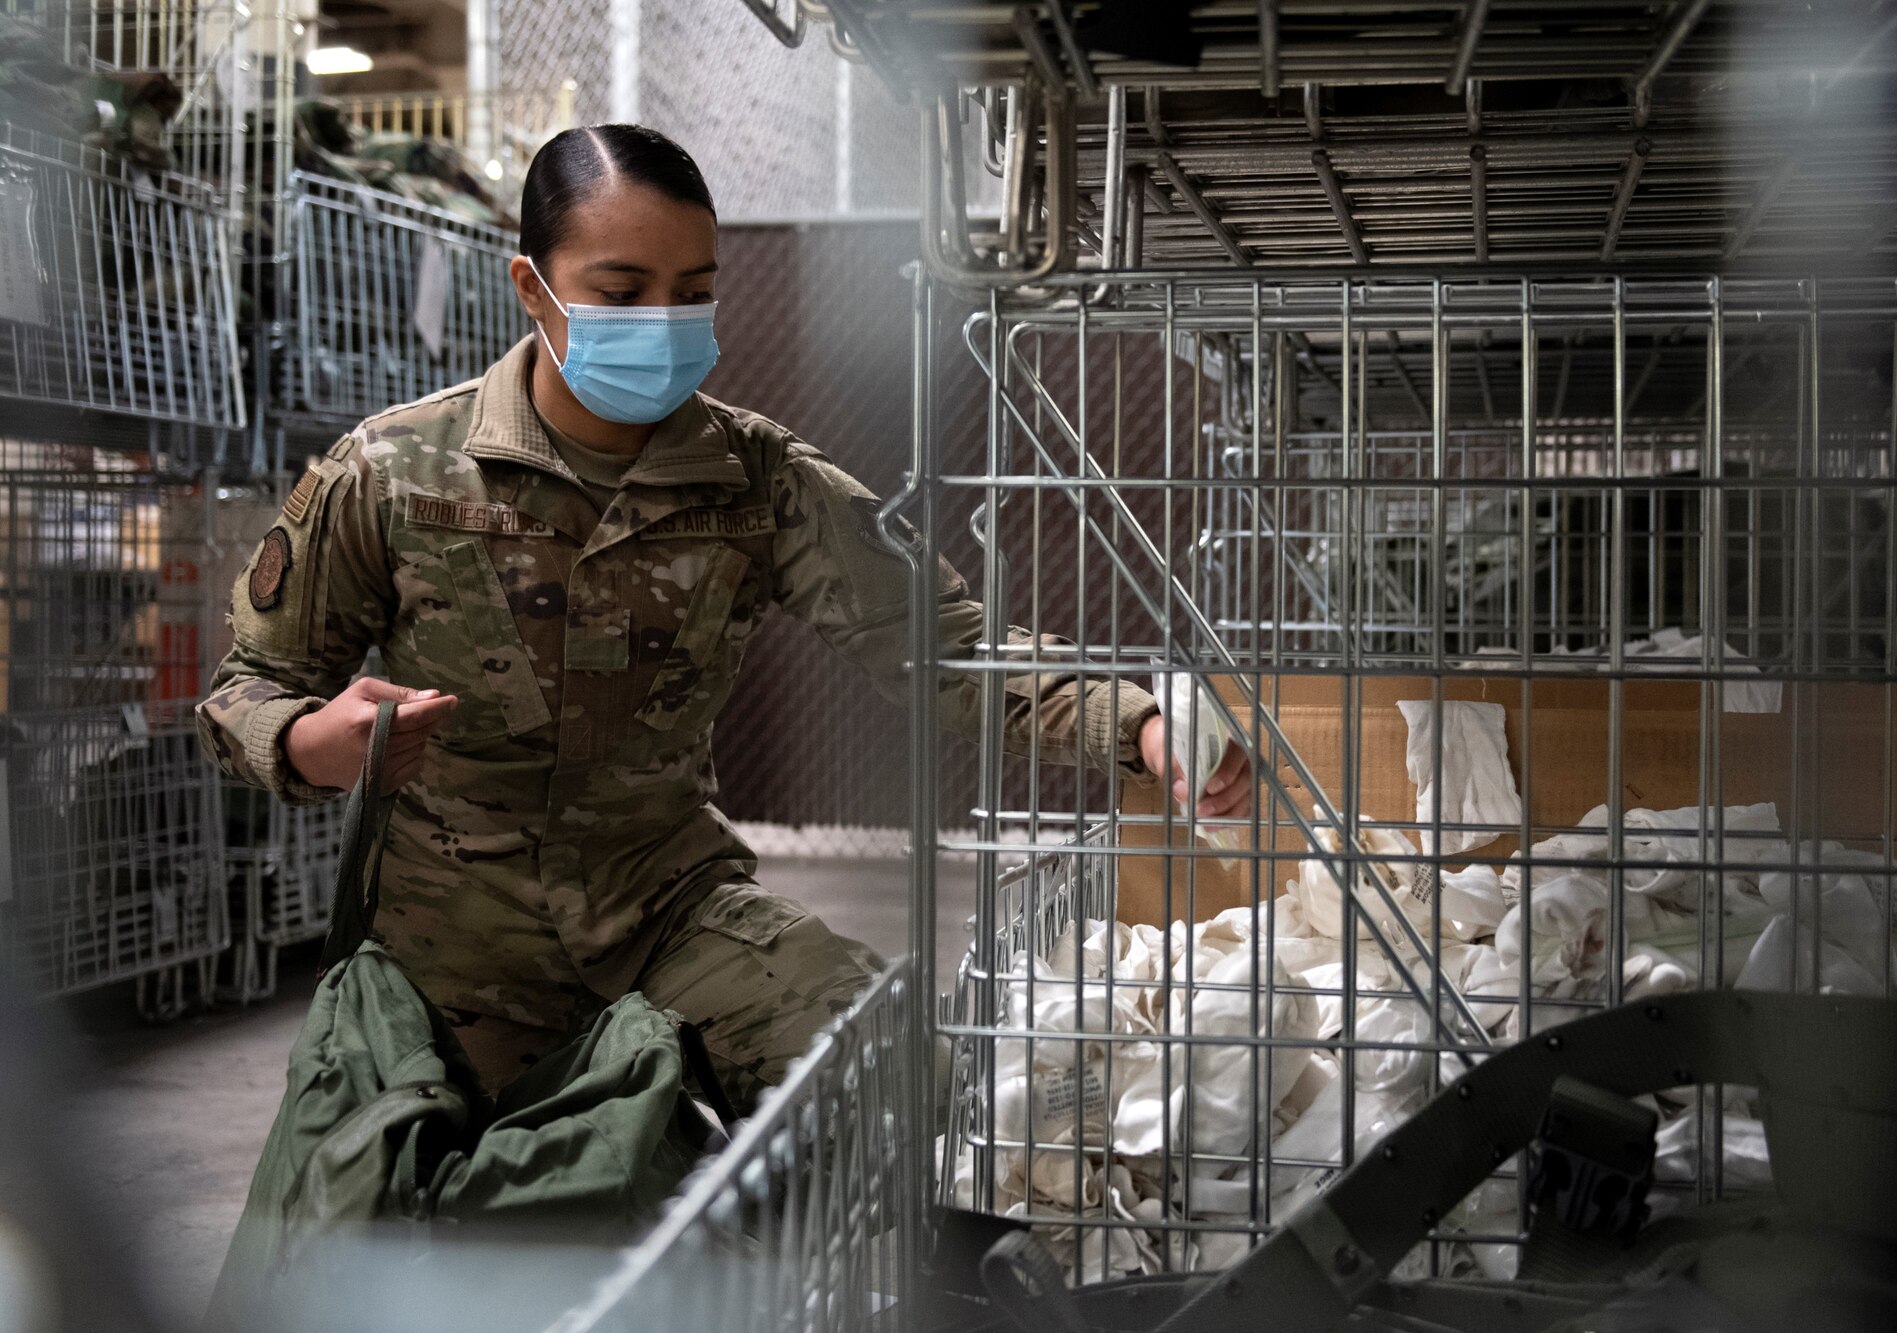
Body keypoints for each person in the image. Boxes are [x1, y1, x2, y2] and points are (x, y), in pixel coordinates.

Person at [197, 124, 1252, 1106]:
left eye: (691, 292)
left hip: (668, 912)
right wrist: (304, 743)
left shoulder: (755, 480)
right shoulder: (391, 473)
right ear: (531, 286)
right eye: (620, 292)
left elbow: (950, 651)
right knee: (375, 1215)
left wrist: (1141, 725)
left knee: (895, 1078)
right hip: (441, 949)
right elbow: (248, 684)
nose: (660, 323)